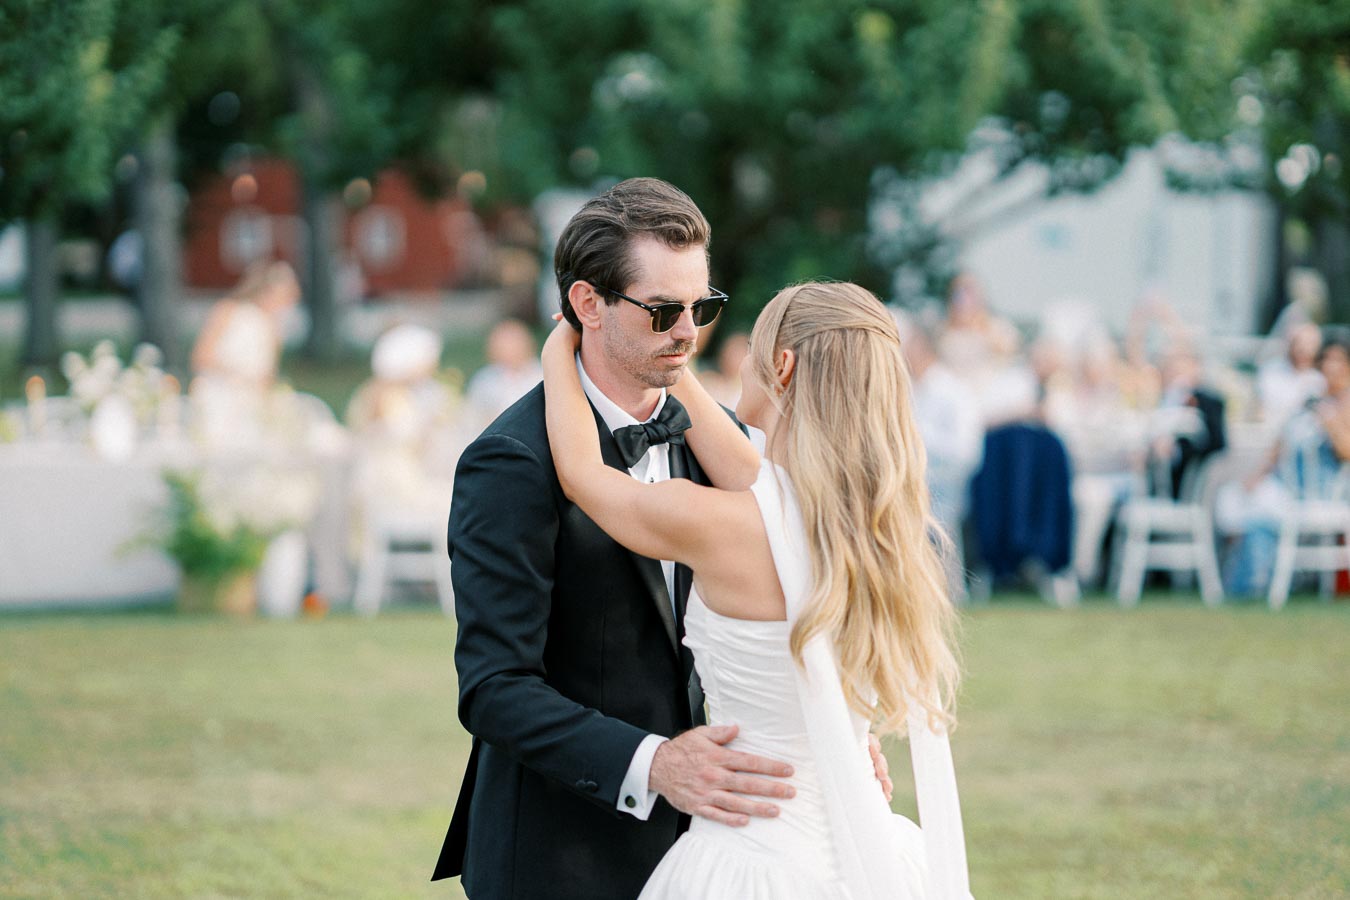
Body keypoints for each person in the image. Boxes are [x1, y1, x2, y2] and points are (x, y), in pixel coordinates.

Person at [431, 179, 891, 899]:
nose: (689, 332)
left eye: (702, 307)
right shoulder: (512, 461)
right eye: (665, 311)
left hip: (728, 845)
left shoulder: (731, 451)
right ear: (588, 304)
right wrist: (654, 764)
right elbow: (494, 688)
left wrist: (835, 731)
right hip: (566, 853)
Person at [542, 282, 971, 898]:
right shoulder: (867, 527)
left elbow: (584, 476)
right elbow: (755, 476)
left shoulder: (727, 525)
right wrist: (671, 354)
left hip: (755, 853)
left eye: (753, 346)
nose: (738, 358)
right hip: (867, 849)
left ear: (783, 366)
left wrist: (562, 346)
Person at [463, 318, 543, 428]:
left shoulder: (543, 375)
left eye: (513, 343)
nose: (507, 350)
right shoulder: (484, 380)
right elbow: (472, 417)